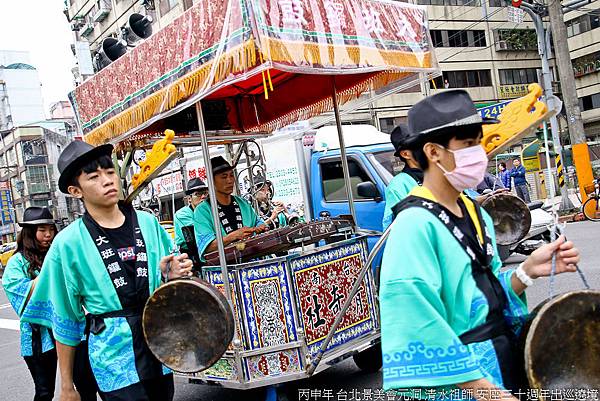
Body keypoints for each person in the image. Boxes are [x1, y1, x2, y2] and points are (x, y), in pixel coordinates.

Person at [380, 90, 580, 397]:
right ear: (433, 152)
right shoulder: (414, 225)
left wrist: (526, 271)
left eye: (479, 142)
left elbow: (478, 297)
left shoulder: (475, 212)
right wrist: (489, 393)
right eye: (469, 144)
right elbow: (418, 322)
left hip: (501, 365)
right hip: (464, 386)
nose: (480, 154)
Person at [21, 141, 193, 401]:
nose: (107, 180)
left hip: (159, 343)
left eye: (110, 171)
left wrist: (171, 275)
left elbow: (169, 282)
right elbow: (65, 319)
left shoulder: (148, 223)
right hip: (113, 358)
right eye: (94, 176)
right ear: (74, 190)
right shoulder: (67, 243)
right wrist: (67, 385)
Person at [2, 207, 57, 401]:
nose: (48, 234)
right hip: (38, 337)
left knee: (85, 384)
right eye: (42, 230)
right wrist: (51, 271)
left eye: (51, 229)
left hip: (70, 330)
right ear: (29, 232)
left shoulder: (57, 253)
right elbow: (21, 295)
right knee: (44, 392)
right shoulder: (17, 262)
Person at [194, 156, 267, 259]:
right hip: (225, 268)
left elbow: (257, 222)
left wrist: (261, 227)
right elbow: (207, 247)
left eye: (231, 175)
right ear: (211, 180)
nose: (229, 180)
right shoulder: (202, 211)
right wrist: (234, 235)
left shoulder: (243, 203)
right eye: (224, 177)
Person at [382, 123, 423, 230]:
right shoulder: (398, 186)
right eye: (420, 144)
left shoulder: (440, 173)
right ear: (405, 154)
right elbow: (396, 230)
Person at [174, 177, 208, 268]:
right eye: (198, 194)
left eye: (205, 193)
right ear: (189, 199)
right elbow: (193, 239)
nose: (203, 197)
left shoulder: (210, 210)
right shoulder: (182, 215)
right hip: (190, 255)